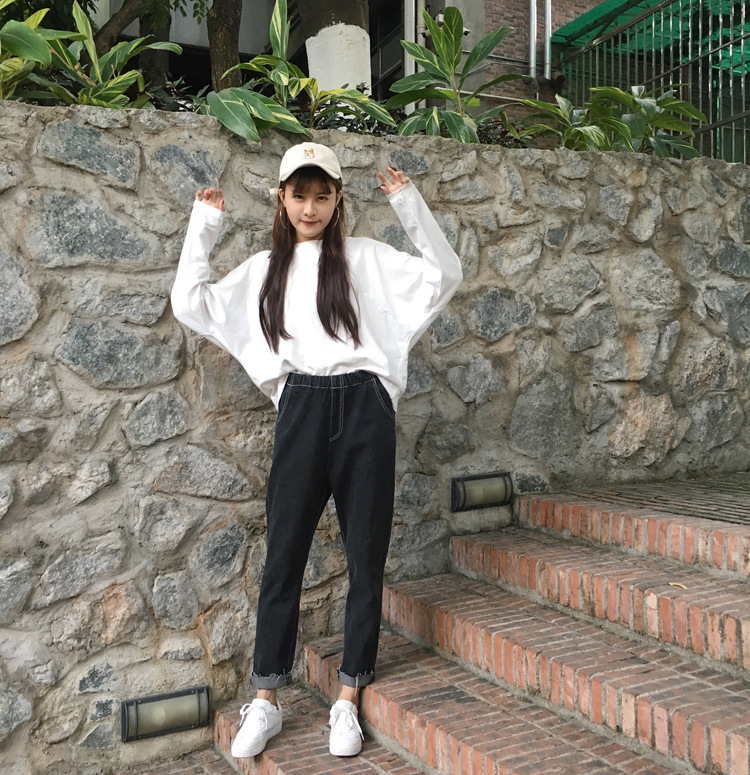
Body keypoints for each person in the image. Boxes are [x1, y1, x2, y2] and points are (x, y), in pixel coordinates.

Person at [170, 142, 462, 758]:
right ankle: (267, 699)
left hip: (364, 408)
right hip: (301, 407)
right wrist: (204, 228)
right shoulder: (264, 270)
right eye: (299, 195)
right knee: (283, 558)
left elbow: (445, 275)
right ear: (281, 198)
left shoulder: (366, 257)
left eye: (322, 195)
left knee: (365, 557)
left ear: (337, 199)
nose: (310, 207)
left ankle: (348, 697)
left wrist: (409, 205)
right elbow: (191, 302)